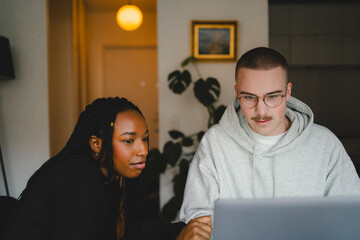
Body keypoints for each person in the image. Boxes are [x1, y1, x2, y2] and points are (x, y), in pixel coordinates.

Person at [180, 47, 360, 229]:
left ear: (288, 92)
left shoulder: (325, 144)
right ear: (237, 92)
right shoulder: (215, 142)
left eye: (272, 96)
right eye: (249, 97)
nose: (261, 111)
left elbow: (352, 215)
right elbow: (198, 219)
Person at [5, 97, 212, 240]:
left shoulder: (107, 179)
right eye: (129, 141)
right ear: (96, 144)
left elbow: (128, 234)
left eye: (145, 139)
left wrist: (186, 228)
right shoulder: (76, 181)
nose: (143, 150)